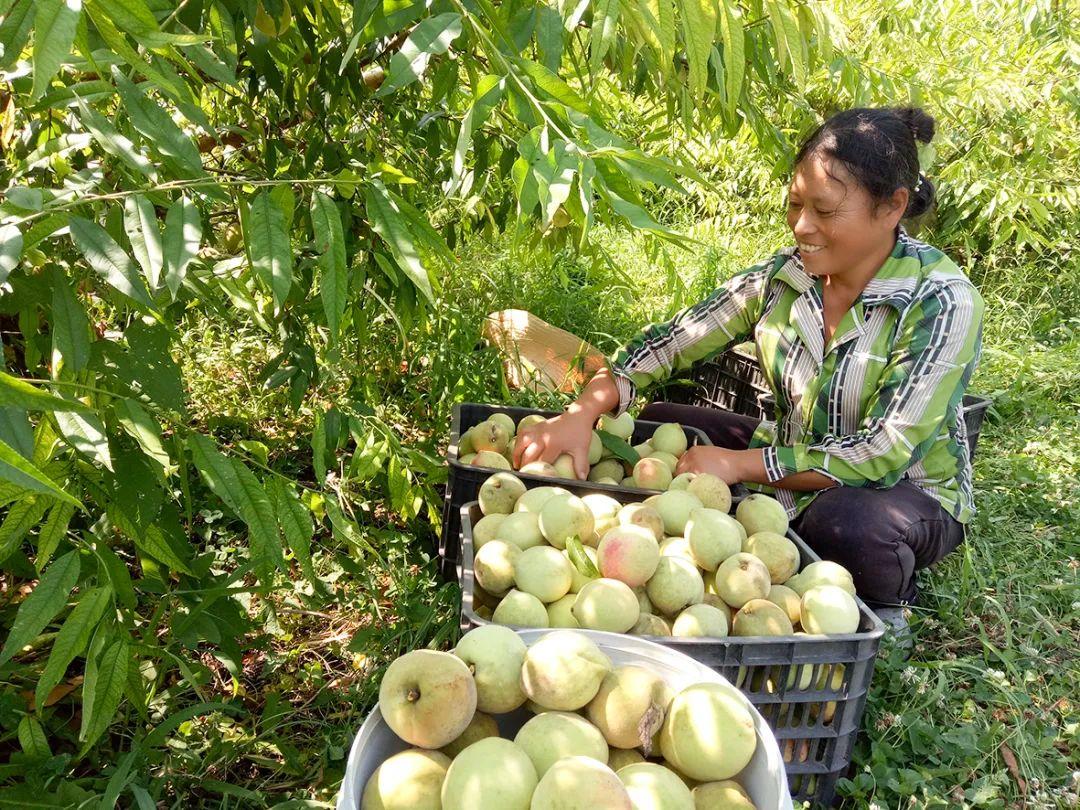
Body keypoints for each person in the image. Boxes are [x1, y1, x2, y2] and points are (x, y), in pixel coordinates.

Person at [512, 107, 984, 627]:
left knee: (847, 523)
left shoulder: (941, 302)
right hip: (795, 453)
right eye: (795, 205)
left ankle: (884, 610)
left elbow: (881, 453)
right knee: (665, 420)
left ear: (892, 208)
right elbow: (672, 343)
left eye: (824, 212)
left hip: (901, 491)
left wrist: (737, 467)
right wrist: (583, 411)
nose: (802, 227)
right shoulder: (786, 278)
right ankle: (776, 520)